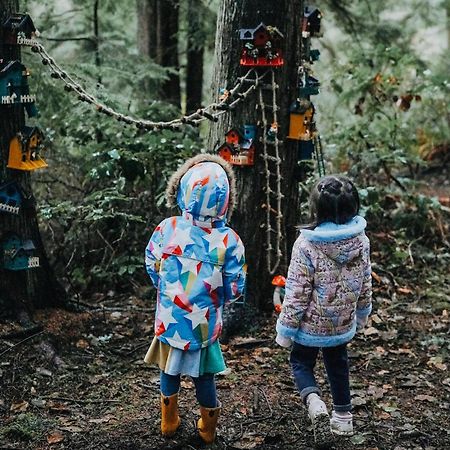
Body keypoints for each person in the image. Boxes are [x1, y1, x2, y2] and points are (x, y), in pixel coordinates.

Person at [144, 154, 246, 444]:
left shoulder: (167, 228)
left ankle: (168, 421)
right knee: (204, 377)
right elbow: (236, 286)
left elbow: (152, 264)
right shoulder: (230, 241)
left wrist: (164, 291)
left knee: (169, 370)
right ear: (227, 200)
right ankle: (207, 428)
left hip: (170, 321)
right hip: (204, 325)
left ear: (182, 191)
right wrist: (219, 300)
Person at [275, 175, 372, 448]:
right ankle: (343, 416)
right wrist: (363, 311)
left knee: (300, 363)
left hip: (308, 326)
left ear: (316, 209)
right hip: (341, 323)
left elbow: (296, 292)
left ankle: (314, 402)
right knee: (338, 363)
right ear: (354, 206)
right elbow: (366, 279)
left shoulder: (306, 245)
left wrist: (286, 329)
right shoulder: (361, 241)